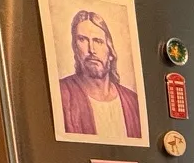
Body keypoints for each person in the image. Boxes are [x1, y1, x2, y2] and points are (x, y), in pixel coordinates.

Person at [59, 10, 142, 139]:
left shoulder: (133, 101)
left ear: (110, 50)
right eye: (83, 40)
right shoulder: (61, 94)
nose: (91, 50)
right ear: (75, 48)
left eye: (98, 41)